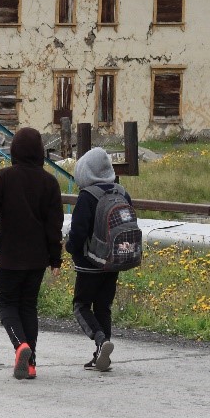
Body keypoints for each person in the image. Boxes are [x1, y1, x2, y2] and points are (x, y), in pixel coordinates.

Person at [0, 127, 64, 380]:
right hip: (37, 258)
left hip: (10, 255)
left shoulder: (4, 177)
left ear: (14, 150)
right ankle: (31, 364)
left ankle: (20, 346)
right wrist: (55, 259)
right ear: (40, 151)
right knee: (28, 307)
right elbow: (54, 226)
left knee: (6, 304)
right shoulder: (50, 182)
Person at [66, 146, 125, 372]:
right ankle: (103, 356)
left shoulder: (87, 196)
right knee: (103, 307)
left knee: (81, 306)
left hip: (89, 263)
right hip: (114, 261)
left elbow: (78, 232)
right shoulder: (121, 192)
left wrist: (71, 249)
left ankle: (101, 340)